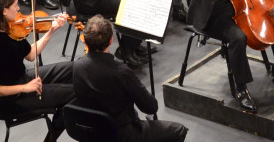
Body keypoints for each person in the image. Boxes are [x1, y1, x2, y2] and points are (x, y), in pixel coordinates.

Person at [73, 14, 188, 142]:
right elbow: (150, 108)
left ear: (85, 40)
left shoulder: (77, 66)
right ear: (111, 41)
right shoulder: (121, 72)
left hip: (92, 131)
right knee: (179, 130)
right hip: (122, 134)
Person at [0, 0, 74, 141]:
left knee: (72, 68)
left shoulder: (11, 28)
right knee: (74, 93)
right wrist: (25, 88)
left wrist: (51, 31)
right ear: (4, 11)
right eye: (15, 6)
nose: (19, 9)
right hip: (10, 100)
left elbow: (30, 55)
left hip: (21, 78)